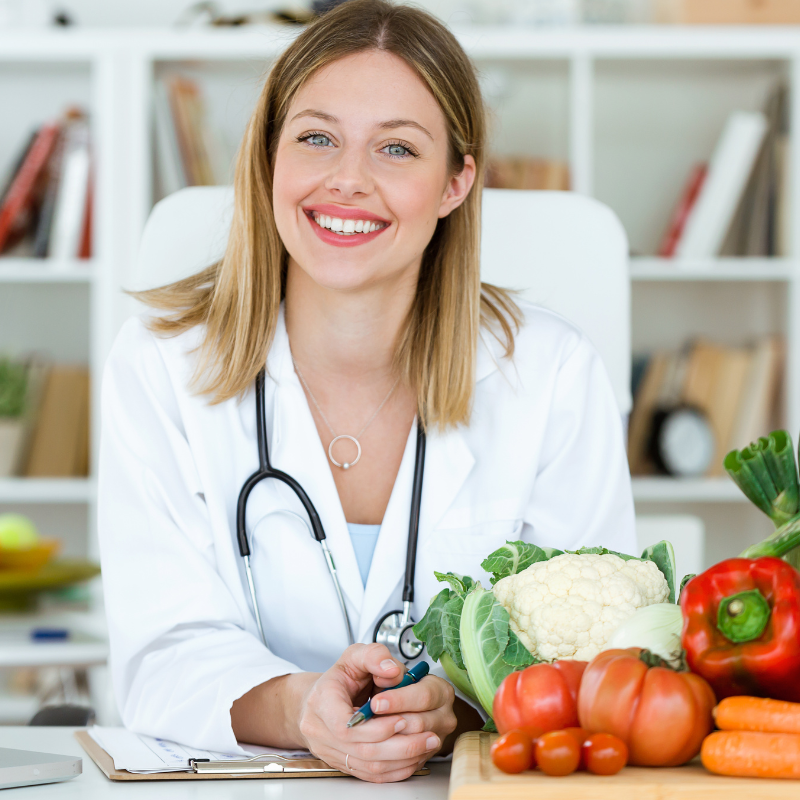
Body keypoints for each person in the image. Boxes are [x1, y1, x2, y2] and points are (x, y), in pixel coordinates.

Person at [98, 0, 635, 784]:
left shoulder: (550, 374)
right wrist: (302, 706)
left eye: (397, 148)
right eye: (317, 138)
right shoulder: (160, 363)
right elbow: (160, 653)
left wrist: (453, 709)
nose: (348, 180)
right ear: (268, 159)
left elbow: (593, 651)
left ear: (456, 182)